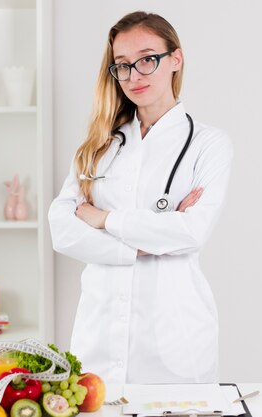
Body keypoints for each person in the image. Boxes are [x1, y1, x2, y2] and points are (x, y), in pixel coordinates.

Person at [48, 11, 233, 384]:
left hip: (174, 340)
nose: (134, 76)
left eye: (148, 59)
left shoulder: (208, 144)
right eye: (123, 65)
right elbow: (62, 231)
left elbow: (190, 232)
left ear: (175, 60)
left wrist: (103, 219)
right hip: (98, 339)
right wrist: (142, 246)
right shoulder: (98, 146)